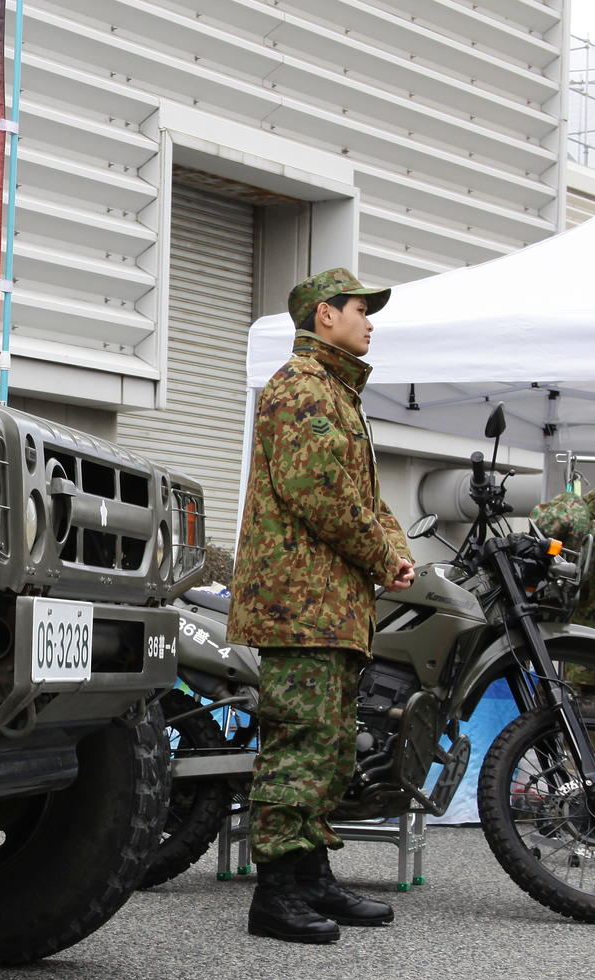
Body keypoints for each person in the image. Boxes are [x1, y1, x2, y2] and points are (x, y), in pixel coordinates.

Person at [228, 267, 416, 944]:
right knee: (300, 745)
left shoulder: (334, 392)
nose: (370, 322)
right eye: (361, 309)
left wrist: (392, 545)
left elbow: (364, 496)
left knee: (330, 748)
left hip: (329, 606)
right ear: (324, 316)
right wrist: (379, 554)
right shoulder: (301, 387)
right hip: (298, 604)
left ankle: (309, 879)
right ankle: (276, 895)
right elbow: (322, 494)